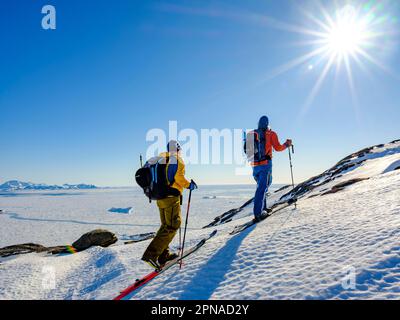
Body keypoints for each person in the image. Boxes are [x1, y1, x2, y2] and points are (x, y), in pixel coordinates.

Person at [141, 140, 197, 268]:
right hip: (171, 197)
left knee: (165, 226)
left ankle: (163, 255)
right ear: (178, 149)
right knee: (173, 225)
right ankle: (151, 255)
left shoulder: (159, 158)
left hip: (158, 197)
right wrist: (190, 185)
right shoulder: (177, 159)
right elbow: (179, 179)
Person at [248, 116, 292, 222]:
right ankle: (258, 214)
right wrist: (287, 144)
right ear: (267, 123)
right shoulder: (271, 134)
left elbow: (248, 152)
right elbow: (278, 148)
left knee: (262, 186)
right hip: (266, 164)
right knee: (263, 187)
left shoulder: (251, 134)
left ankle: (263, 208)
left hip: (254, 166)